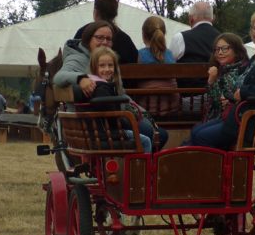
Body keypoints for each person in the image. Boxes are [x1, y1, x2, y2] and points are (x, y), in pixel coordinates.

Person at [191, 9, 255, 149]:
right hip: (241, 116)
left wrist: (245, 92)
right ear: (251, 31)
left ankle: (219, 170)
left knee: (202, 136)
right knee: (196, 131)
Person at [55, 20, 167, 148]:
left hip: (116, 114)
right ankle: (139, 165)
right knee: (154, 136)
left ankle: (139, 164)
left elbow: (120, 91)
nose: (104, 42)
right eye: (99, 38)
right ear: (88, 39)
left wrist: (143, 112)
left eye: (108, 39)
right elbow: (58, 77)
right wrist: (80, 79)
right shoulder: (77, 57)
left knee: (159, 134)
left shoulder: (107, 58)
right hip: (98, 121)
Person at [85, 47, 152, 153]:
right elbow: (112, 116)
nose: (107, 69)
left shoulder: (95, 84)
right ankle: (145, 168)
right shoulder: (101, 88)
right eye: (102, 65)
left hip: (100, 132)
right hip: (107, 133)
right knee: (145, 141)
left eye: (110, 65)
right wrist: (129, 122)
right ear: (94, 67)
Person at [186, 33, 249, 144]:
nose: (220, 53)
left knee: (197, 134)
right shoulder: (224, 69)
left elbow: (217, 102)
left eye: (225, 49)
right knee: (194, 132)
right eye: (217, 49)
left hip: (233, 119)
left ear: (236, 49)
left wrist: (211, 80)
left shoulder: (238, 70)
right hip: (221, 117)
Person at [74, 0, 138, 65]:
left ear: (95, 12)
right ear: (114, 15)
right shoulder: (126, 40)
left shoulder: (83, 33)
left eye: (108, 39)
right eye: (99, 38)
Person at [136, 16, 179, 116]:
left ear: (143, 35)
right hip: (172, 107)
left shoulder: (139, 55)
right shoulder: (171, 55)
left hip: (147, 108)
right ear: (163, 34)